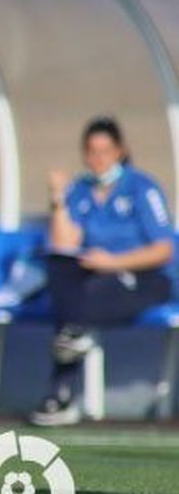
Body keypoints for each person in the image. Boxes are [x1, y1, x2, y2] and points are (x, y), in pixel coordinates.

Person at [31, 117, 173, 426]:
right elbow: (64, 244)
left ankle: (60, 392)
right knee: (60, 267)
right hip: (95, 278)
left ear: (120, 151)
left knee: (78, 305)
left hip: (143, 278)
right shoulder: (80, 190)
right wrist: (58, 198)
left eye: (105, 151)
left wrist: (112, 262)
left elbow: (164, 249)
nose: (98, 159)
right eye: (91, 151)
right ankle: (73, 339)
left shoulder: (141, 187)